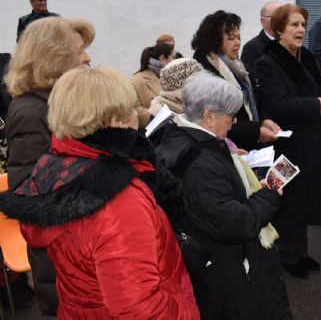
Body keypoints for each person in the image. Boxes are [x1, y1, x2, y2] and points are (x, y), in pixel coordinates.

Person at [0, 67, 199, 319]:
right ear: (116, 120)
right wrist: (186, 312)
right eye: (130, 109)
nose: (137, 115)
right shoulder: (119, 200)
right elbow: (139, 309)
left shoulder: (54, 168)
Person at [155, 71, 291, 319]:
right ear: (208, 117)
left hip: (224, 264)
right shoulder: (199, 162)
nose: (234, 122)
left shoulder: (192, 142)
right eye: (230, 115)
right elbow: (236, 222)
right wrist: (268, 196)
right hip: (229, 271)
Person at [4, 16, 94, 315]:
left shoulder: (61, 102)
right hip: (61, 255)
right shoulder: (31, 111)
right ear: (54, 57)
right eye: (79, 50)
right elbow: (27, 193)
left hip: (81, 246)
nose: (87, 57)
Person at [255, 4, 321, 278]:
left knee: (306, 199)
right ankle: (288, 256)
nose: (300, 30)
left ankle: (301, 252)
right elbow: (280, 104)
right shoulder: (268, 61)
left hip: (309, 140)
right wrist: (317, 106)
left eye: (302, 25)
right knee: (290, 202)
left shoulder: (305, 57)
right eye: (293, 25)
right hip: (285, 144)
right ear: (279, 30)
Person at [192, 10, 280, 151]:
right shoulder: (205, 71)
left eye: (239, 37)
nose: (238, 43)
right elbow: (218, 118)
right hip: (225, 147)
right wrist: (256, 131)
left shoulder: (237, 66)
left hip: (248, 145)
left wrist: (264, 120)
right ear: (215, 40)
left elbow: (254, 99)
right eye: (231, 38)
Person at [131, 42, 177, 129]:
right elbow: (135, 110)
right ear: (163, 58)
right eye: (174, 57)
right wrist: (163, 117)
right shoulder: (137, 80)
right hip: (154, 133)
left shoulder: (173, 77)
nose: (176, 61)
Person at [241, 1, 282, 80]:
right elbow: (252, 80)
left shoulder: (290, 44)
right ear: (262, 21)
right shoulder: (251, 48)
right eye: (275, 17)